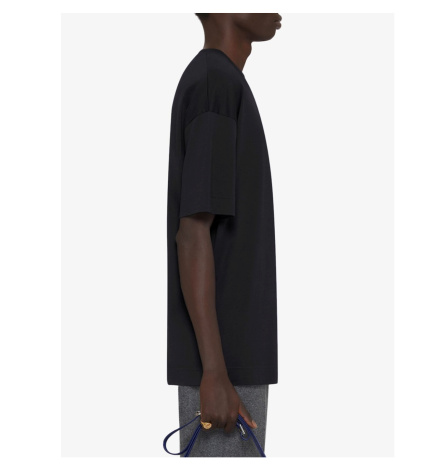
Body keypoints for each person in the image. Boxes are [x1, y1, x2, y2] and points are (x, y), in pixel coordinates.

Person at [166, 13, 282, 457]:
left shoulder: (221, 82)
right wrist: (214, 372)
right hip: (224, 374)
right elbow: (192, 232)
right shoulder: (215, 82)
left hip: (231, 364)